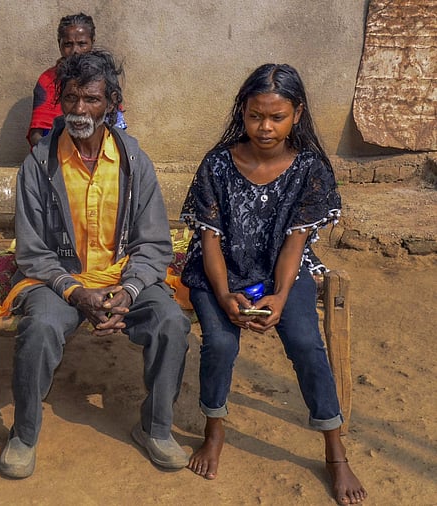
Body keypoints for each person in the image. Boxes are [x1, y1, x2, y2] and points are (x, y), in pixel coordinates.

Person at [179, 63, 367, 504]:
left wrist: (281, 296)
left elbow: (295, 241)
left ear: (297, 114)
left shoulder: (310, 170)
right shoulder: (218, 165)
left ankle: (335, 451)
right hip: (220, 270)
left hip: (280, 270)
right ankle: (214, 429)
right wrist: (224, 294)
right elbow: (209, 239)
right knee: (221, 344)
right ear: (242, 112)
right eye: (254, 116)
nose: (264, 127)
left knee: (304, 340)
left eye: (276, 117)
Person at [0, 50, 191, 479]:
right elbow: (31, 250)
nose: (80, 110)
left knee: (170, 323)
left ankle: (157, 428)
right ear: (60, 102)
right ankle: (24, 433)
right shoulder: (38, 165)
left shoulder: (134, 162)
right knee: (41, 327)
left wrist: (132, 289)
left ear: (112, 103)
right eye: (71, 99)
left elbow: (154, 242)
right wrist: (74, 291)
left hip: (124, 278)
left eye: (91, 100)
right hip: (59, 283)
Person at [27, 13, 126, 148]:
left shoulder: (105, 78)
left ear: (92, 42)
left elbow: (117, 126)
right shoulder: (48, 80)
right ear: (59, 44)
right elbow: (36, 135)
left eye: (82, 44)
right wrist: (51, 156)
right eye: (68, 44)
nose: (75, 51)